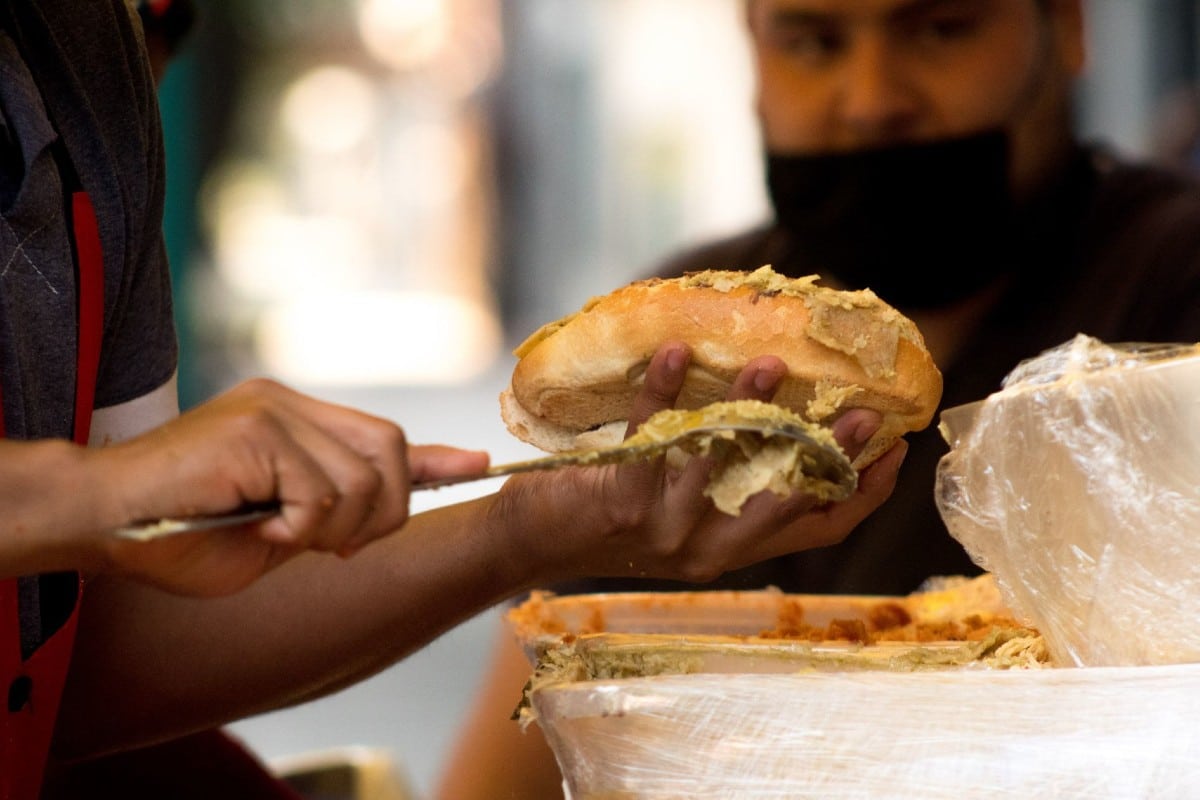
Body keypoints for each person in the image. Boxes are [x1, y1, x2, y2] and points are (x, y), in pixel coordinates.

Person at [0, 3, 905, 797]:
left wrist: (528, 530)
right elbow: (95, 529)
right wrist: (87, 500)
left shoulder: (85, 54)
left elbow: (83, 650)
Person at [437, 1, 1200, 797]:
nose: (871, 99)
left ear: (1068, 30)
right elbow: (509, 763)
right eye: (812, 41)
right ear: (754, 55)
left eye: (941, 29)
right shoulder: (663, 342)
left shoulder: (1171, 288)